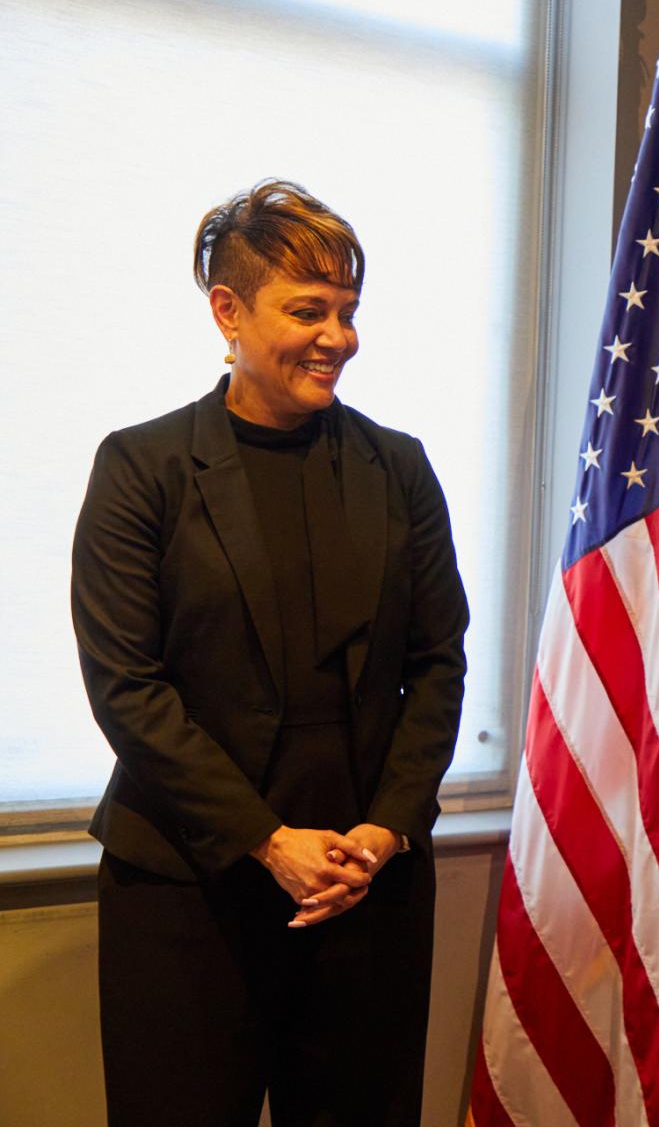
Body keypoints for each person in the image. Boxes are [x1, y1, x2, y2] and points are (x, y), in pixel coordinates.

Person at [71, 180, 469, 1126]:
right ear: (228, 310)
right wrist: (267, 842)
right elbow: (129, 688)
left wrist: (384, 831)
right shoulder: (141, 468)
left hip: (364, 891)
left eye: (348, 312)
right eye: (308, 311)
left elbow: (440, 662)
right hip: (186, 895)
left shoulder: (399, 467)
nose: (338, 336)